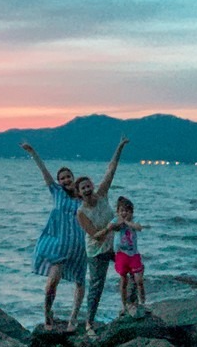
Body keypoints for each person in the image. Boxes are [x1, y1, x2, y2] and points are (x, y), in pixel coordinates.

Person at [21, 142, 86, 332]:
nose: (65, 180)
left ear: (73, 178)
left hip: (79, 247)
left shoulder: (83, 198)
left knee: (80, 283)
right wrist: (33, 152)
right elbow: (44, 171)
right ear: (59, 181)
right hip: (59, 247)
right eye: (62, 178)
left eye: (68, 177)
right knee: (52, 283)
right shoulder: (56, 192)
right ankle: (48, 314)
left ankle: (73, 318)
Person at [75, 135, 129, 336]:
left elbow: (111, 169)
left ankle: (128, 307)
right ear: (79, 193)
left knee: (130, 270)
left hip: (112, 246)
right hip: (97, 251)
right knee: (97, 286)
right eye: (84, 189)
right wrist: (111, 227)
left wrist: (120, 146)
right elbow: (95, 236)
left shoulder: (102, 194)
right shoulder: (81, 212)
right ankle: (89, 323)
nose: (88, 190)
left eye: (89, 186)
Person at [110, 195, 147, 316]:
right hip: (121, 255)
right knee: (123, 280)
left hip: (133, 254)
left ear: (131, 212)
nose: (124, 213)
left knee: (139, 280)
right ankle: (124, 305)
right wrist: (119, 222)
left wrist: (127, 222)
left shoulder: (134, 220)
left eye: (127, 211)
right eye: (122, 211)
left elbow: (139, 227)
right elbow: (111, 227)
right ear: (118, 212)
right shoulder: (116, 220)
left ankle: (143, 303)